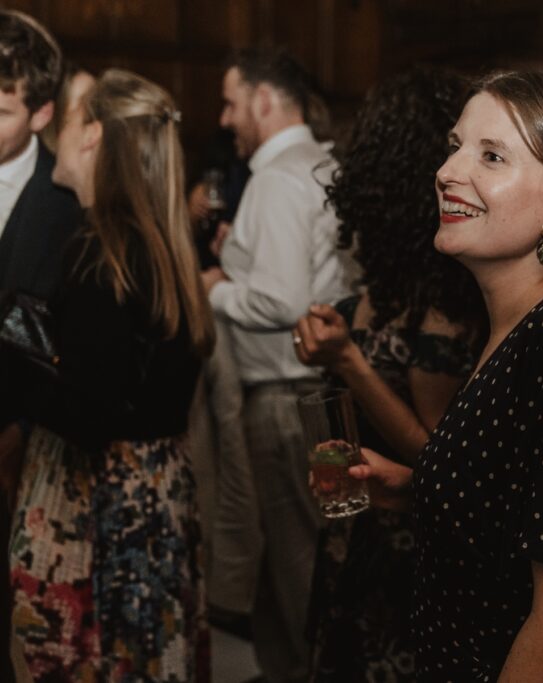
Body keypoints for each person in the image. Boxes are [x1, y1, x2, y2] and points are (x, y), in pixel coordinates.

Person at [344, 70, 543, 680]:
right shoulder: (519, 326)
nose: (448, 172)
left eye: (491, 156)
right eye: (455, 146)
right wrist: (419, 489)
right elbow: (527, 512)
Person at [2, 68, 213, 680]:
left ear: (93, 135)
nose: (57, 142)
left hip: (101, 513)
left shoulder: (103, 253)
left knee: (95, 662)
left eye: (67, 122)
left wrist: (13, 355)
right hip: (155, 498)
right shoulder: (153, 241)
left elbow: (89, 415)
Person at [290, 66, 487, 682]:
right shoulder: (383, 289)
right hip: (359, 533)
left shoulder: (444, 307)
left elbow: (437, 457)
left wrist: (347, 360)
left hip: (410, 551)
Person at [202, 47, 359, 682]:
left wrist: (213, 283)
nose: (225, 118)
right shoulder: (322, 163)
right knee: (314, 549)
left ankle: (306, 672)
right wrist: (238, 254)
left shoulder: (272, 177)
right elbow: (313, 275)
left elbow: (283, 299)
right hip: (323, 391)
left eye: (232, 102)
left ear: (265, 101)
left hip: (285, 400)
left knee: (300, 555)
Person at [0, 11, 80, 681]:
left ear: (41, 112)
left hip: (21, 450)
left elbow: (67, 347)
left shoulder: (67, 203)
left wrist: (19, 428)